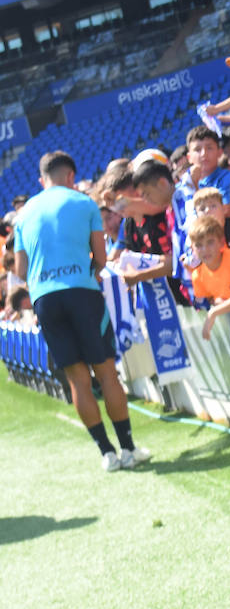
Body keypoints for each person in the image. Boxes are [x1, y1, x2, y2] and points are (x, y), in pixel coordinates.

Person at [12, 150, 148, 471]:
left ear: (41, 179)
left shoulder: (24, 213)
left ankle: (107, 453)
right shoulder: (83, 202)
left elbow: (20, 268)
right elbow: (101, 258)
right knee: (106, 373)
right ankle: (128, 449)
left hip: (45, 299)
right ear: (71, 176)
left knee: (77, 380)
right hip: (82, 293)